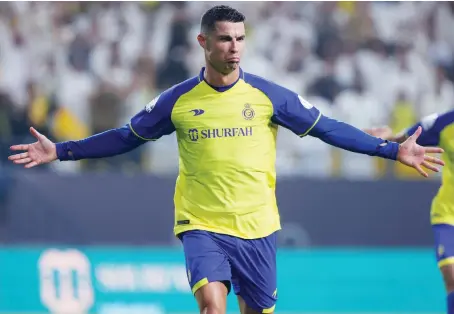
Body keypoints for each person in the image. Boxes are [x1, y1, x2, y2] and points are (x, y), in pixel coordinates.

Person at [9, 5, 444, 314]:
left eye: (239, 39)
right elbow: (127, 137)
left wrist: (391, 150)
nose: (234, 48)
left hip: (258, 226)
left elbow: (328, 128)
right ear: (203, 42)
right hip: (202, 224)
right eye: (224, 39)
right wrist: (60, 150)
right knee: (212, 307)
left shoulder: (269, 95)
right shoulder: (177, 101)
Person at [366, 110, 454, 314]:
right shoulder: (443, 123)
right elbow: (409, 137)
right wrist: (389, 136)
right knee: (451, 275)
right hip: (448, 214)